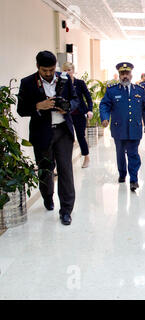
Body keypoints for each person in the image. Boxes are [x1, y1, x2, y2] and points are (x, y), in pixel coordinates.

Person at [17, 51, 78, 225]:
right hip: (41, 133)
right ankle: (47, 197)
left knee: (66, 171)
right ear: (37, 67)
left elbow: (75, 100)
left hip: (63, 132)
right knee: (45, 169)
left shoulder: (64, 79)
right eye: (45, 71)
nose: (49, 74)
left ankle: (66, 210)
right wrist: (38, 106)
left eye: (52, 70)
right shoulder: (27, 83)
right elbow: (21, 109)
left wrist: (68, 107)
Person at [99, 62, 145, 192]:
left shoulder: (139, 91)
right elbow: (104, 105)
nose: (125, 76)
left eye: (127, 74)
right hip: (119, 129)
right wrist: (105, 118)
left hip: (134, 128)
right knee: (120, 153)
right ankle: (122, 173)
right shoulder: (112, 91)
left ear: (131, 75)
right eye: (122, 74)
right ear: (119, 75)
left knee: (133, 153)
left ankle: (134, 179)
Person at [62, 62, 93, 168]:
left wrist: (90, 110)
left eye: (69, 70)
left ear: (73, 71)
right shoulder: (61, 83)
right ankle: (64, 162)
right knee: (66, 138)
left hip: (79, 114)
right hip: (67, 115)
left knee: (80, 136)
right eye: (65, 70)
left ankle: (86, 157)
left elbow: (88, 97)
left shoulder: (80, 83)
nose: (67, 72)